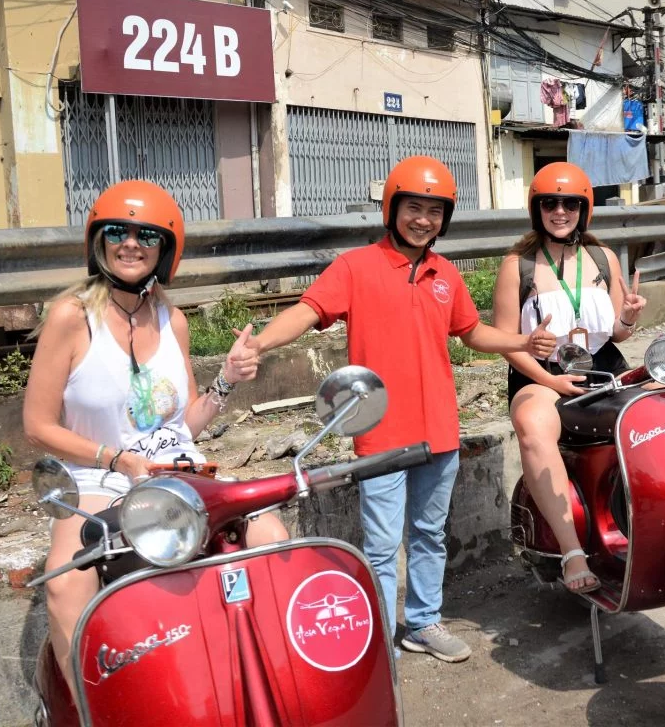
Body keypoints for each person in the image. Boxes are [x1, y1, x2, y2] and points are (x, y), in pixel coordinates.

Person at [238, 155, 556, 663]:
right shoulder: (355, 266)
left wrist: (523, 339)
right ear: (393, 208)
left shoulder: (446, 274)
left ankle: (424, 623)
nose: (423, 219)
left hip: (439, 431)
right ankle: (383, 634)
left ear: (444, 219)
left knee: (430, 535)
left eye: (434, 211)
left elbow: (470, 332)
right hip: (381, 433)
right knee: (383, 545)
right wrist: (261, 344)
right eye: (414, 207)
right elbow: (309, 310)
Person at [23, 180, 287, 691]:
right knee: (65, 581)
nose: (131, 244)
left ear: (165, 249)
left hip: (177, 472)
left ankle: (262, 688)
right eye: (118, 231)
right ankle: (89, 705)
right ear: (98, 240)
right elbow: (37, 425)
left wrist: (226, 380)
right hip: (100, 479)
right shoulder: (71, 318)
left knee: (271, 540)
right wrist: (117, 459)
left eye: (147, 235)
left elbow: (181, 423)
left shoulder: (173, 320)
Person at [492, 162, 646, 593]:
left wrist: (630, 318)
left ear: (584, 208)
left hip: (601, 364)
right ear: (536, 209)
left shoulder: (603, 258)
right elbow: (505, 341)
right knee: (532, 426)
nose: (560, 212)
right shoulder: (516, 266)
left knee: (664, 402)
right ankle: (572, 550)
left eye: (570, 204)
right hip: (541, 372)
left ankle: (653, 515)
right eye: (550, 203)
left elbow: (616, 332)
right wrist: (549, 377)